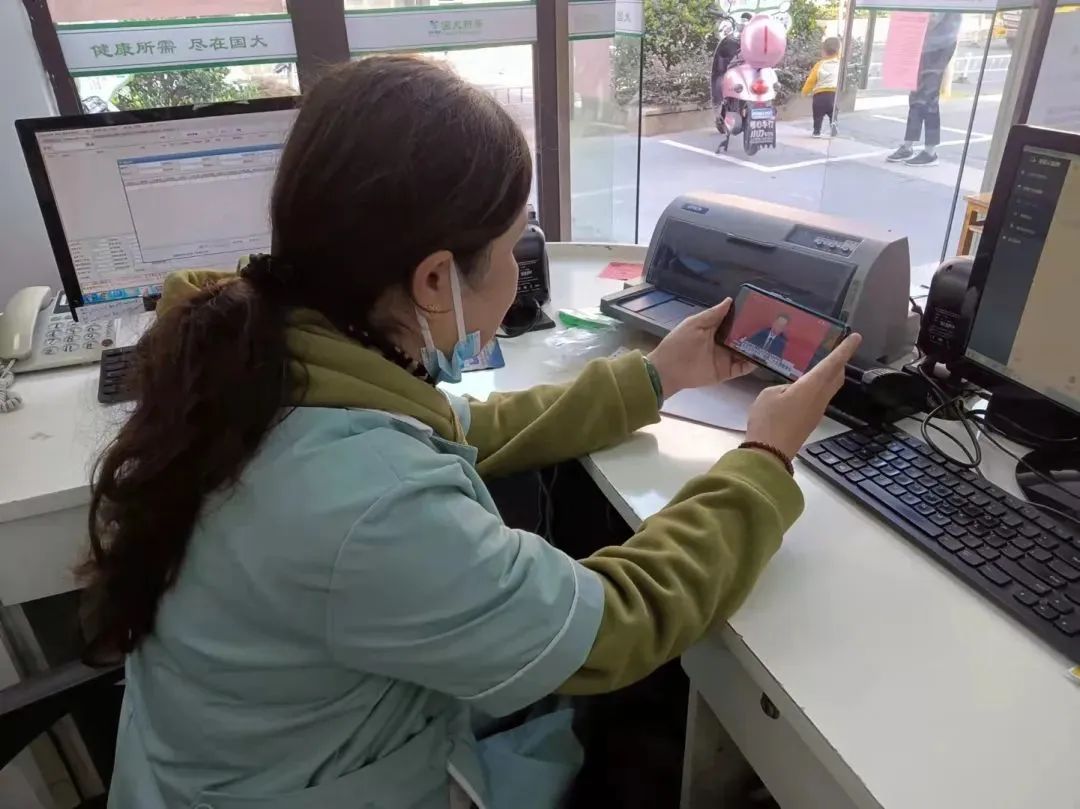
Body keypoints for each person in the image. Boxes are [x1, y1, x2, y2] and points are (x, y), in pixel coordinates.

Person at [83, 56, 861, 809]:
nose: (519, 274)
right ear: (434, 279)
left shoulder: (268, 353)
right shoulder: (368, 505)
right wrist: (763, 458)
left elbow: (469, 426)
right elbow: (613, 623)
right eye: (514, 248)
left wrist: (655, 377)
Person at [886, 12, 962, 167]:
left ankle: (930, 152)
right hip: (927, 44)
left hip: (939, 45)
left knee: (928, 96)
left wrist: (907, 24)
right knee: (916, 94)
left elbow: (932, 17)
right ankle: (908, 145)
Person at [802, 36, 841, 138]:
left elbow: (811, 80)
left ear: (823, 51)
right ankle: (833, 124)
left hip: (819, 95)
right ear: (838, 51)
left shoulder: (819, 65)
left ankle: (816, 132)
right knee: (833, 112)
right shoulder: (839, 64)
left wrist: (805, 91)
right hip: (833, 94)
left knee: (818, 115)